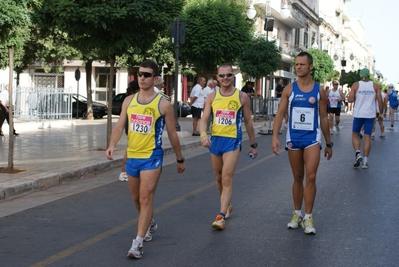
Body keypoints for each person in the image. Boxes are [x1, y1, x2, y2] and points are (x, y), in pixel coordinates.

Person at [105, 60, 186, 259]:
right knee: (136, 200)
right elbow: (119, 126)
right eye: (139, 74)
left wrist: (179, 158)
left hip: (152, 156)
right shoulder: (128, 101)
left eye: (147, 75)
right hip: (132, 156)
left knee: (145, 198)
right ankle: (149, 222)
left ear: (155, 78)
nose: (142, 78)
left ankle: (137, 243)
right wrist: (112, 145)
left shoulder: (163, 104)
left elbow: (172, 134)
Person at [271, 51, 333, 235]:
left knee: (311, 177)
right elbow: (280, 114)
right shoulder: (289, 90)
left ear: (310, 67)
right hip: (294, 138)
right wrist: (275, 136)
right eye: (296, 64)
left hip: (312, 138)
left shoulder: (319, 90)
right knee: (298, 177)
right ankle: (296, 213)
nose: (298, 67)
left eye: (302, 64)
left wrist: (329, 143)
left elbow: (323, 117)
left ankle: (308, 216)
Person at [200, 63, 258, 230]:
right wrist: (203, 135)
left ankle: (221, 216)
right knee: (218, 177)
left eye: (229, 75)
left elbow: (248, 121)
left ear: (233, 76)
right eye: (222, 76)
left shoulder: (242, 97)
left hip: (232, 141)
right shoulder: (212, 96)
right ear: (217, 77)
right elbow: (204, 119)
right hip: (216, 141)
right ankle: (227, 205)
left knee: (226, 177)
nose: (225, 78)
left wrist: (253, 144)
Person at [348, 68, 383, 169]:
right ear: (369, 75)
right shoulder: (375, 86)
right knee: (367, 137)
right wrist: (380, 114)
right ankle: (365, 161)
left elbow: (350, 100)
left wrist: (357, 97)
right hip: (370, 115)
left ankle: (358, 153)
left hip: (358, 114)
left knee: (355, 135)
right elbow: (380, 101)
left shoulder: (356, 85)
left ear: (360, 75)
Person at [118, 80, 140, 182]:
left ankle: (127, 171)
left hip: (133, 125)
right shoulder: (131, 99)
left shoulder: (133, 97)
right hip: (132, 125)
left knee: (131, 148)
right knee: (130, 149)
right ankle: (123, 172)